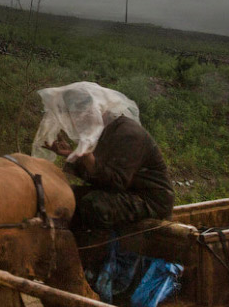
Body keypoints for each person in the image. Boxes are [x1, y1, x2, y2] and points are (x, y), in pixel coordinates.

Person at [33, 82, 174, 266]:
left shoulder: (128, 133)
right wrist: (72, 154)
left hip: (150, 200)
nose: (77, 120)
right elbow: (100, 176)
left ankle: (91, 261)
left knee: (94, 204)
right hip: (124, 192)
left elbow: (116, 182)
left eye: (81, 113)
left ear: (98, 108)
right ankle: (62, 249)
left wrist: (87, 157)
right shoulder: (103, 131)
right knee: (66, 194)